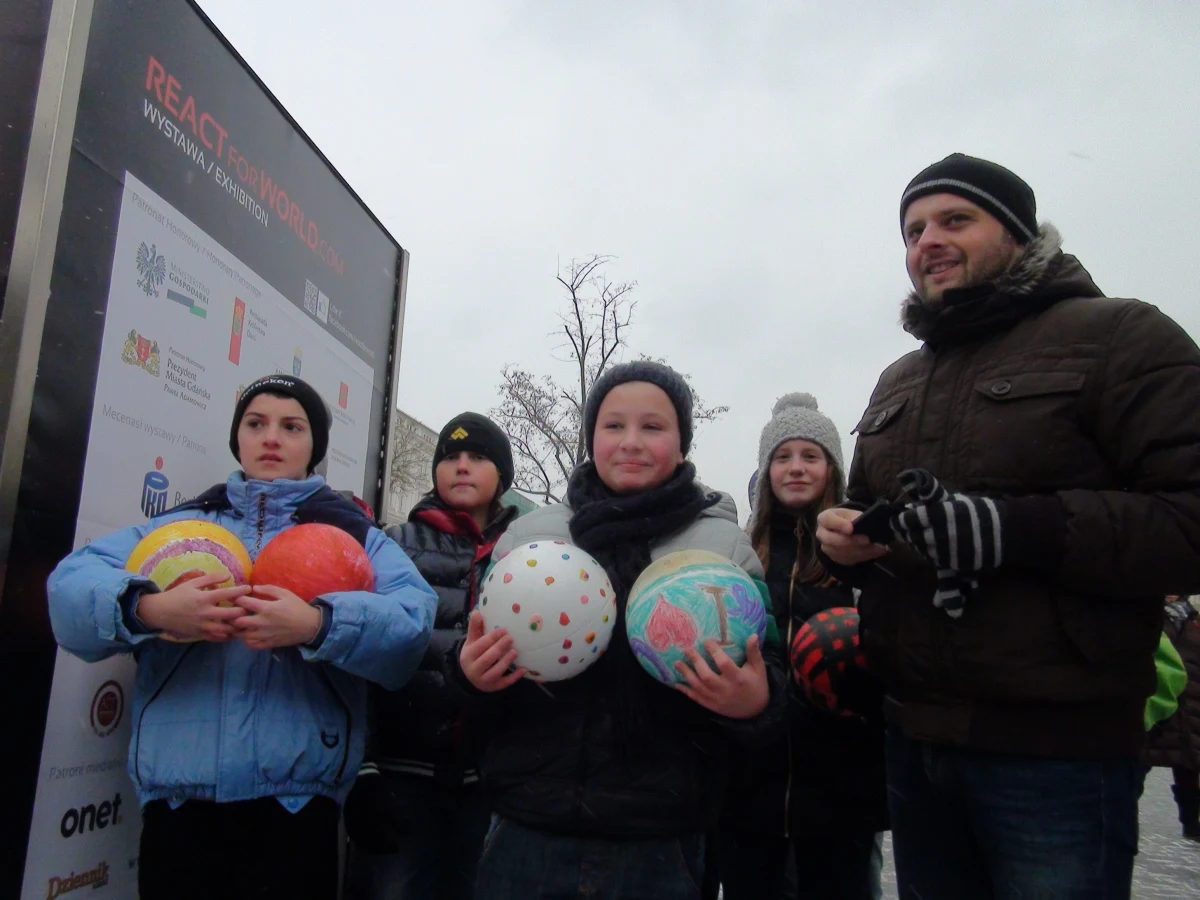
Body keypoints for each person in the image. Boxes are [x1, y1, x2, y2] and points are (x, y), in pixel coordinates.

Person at [815, 153, 1200, 899]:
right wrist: (856, 545)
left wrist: (1015, 530)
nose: (928, 240)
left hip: (1058, 753)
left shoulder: (1123, 336)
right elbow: (878, 519)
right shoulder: (899, 379)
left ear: (1020, 235)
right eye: (913, 228)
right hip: (915, 743)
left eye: (956, 219)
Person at [47, 374, 437, 900]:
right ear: (238, 438)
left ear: (313, 446)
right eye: (256, 423)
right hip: (179, 804)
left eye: (291, 426)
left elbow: (411, 626)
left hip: (297, 804)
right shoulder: (179, 528)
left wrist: (319, 624)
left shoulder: (353, 535)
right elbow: (69, 589)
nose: (271, 437)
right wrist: (150, 607)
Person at [453, 360, 788, 900]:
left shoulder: (721, 549)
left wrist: (755, 702)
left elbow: (769, 671)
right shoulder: (532, 537)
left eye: (653, 427)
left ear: (682, 445)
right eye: (613, 426)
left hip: (662, 840)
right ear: (591, 440)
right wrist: (471, 678)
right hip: (527, 828)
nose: (631, 442)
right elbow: (473, 657)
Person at [718, 393, 886, 900]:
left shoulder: (865, 555)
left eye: (810, 457)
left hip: (842, 787)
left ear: (831, 468)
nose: (796, 468)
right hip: (751, 786)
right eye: (783, 457)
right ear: (766, 471)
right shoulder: (740, 555)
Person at [345, 413, 519, 900]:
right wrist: (364, 769)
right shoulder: (394, 546)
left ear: (502, 474)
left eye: (478, 457)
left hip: (492, 783)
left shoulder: (528, 554)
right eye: (450, 457)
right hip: (403, 778)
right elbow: (360, 657)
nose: (462, 466)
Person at [1146, 595, 1200, 840]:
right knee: (1137, 763)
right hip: (1158, 705)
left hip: (1191, 705)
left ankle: (1191, 824)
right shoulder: (1149, 614)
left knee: (1188, 767)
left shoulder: (1193, 619)